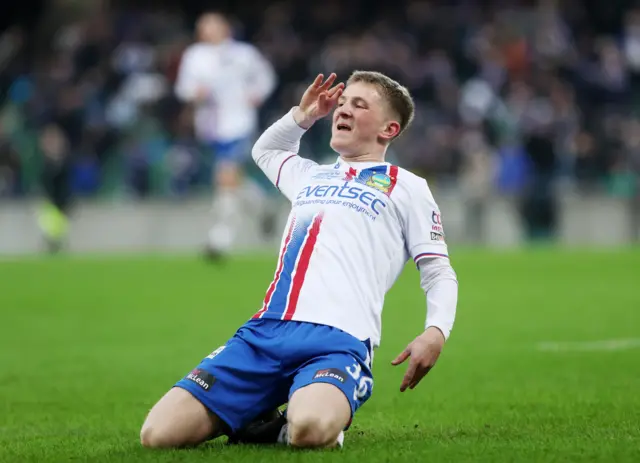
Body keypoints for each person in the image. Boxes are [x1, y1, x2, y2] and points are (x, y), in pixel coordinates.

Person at [141, 71, 458, 449]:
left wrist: (436, 330)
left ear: (388, 129)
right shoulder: (309, 175)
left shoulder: (407, 186)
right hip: (265, 333)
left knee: (308, 431)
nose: (344, 110)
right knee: (158, 435)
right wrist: (302, 116)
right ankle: (262, 413)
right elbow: (266, 151)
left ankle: (284, 420)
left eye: (359, 105)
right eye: (342, 103)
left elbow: (437, 269)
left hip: (337, 341)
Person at [174, 11, 277, 259]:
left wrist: (256, 94)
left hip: (239, 123)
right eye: (204, 27)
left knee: (225, 178)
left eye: (212, 26)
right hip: (210, 127)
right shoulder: (194, 56)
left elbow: (266, 78)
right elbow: (183, 88)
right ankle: (263, 208)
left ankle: (219, 240)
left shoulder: (244, 54)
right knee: (232, 181)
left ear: (225, 28)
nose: (208, 31)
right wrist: (193, 93)